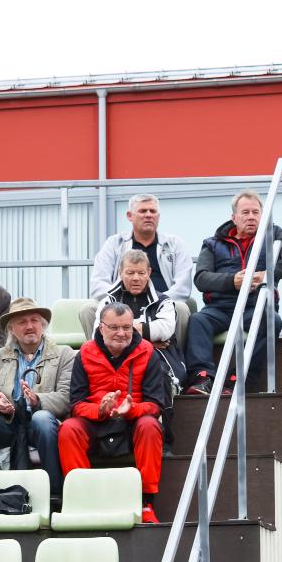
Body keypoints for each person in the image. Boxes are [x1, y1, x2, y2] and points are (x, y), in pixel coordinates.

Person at [186, 190, 282, 397]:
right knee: (197, 321)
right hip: (220, 308)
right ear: (234, 217)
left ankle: (239, 380)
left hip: (254, 307)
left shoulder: (272, 234)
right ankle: (202, 378)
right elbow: (201, 279)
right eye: (245, 212)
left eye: (255, 212)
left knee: (272, 321)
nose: (251, 217)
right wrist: (232, 281)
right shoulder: (213, 243)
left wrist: (268, 275)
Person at [60, 302, 173, 525]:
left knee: (150, 425)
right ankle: (82, 499)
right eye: (114, 327)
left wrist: (132, 410)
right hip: (96, 422)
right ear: (101, 327)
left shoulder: (147, 352)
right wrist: (100, 410)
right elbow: (76, 404)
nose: (121, 333)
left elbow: (155, 404)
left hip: (133, 422)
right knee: (68, 429)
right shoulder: (85, 353)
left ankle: (146, 502)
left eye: (127, 327)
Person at [0, 297, 74, 485]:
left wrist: (37, 401)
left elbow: (66, 398)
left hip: (40, 422)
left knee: (42, 418)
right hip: (8, 422)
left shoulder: (63, 354)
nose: (29, 326)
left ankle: (54, 490)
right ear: (11, 329)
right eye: (22, 322)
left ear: (43, 325)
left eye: (34, 320)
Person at [84, 250, 184, 383]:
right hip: (117, 361)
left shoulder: (163, 301)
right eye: (130, 273)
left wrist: (118, 333)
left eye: (141, 273)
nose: (136, 278)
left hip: (158, 360)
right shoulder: (108, 302)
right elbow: (99, 336)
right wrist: (149, 342)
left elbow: (165, 330)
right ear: (120, 272)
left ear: (149, 272)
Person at [90, 193, 196, 304]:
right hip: (120, 306)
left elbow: (182, 288)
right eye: (143, 211)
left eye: (153, 211)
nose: (148, 215)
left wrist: (157, 303)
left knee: (181, 308)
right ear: (129, 216)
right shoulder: (114, 244)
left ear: (158, 216)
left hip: (165, 305)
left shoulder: (175, 244)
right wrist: (125, 303)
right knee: (89, 308)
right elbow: (98, 285)